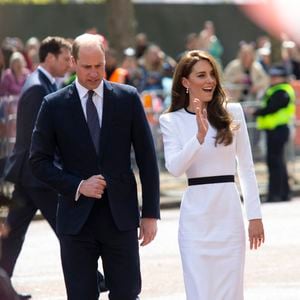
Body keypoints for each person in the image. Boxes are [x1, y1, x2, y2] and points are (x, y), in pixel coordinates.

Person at [29, 33, 160, 300]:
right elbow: (38, 161)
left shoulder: (127, 98)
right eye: (87, 67)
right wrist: (78, 185)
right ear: (73, 62)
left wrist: (150, 213)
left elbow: (148, 158)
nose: (94, 73)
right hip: (76, 220)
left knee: (127, 293)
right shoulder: (53, 105)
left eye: (99, 66)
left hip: (120, 218)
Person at [159, 50, 264, 300]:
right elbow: (174, 168)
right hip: (195, 218)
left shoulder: (233, 112)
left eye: (212, 75)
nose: (210, 81)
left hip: (228, 214)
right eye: (201, 75)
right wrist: (198, 137)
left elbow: (246, 168)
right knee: (199, 292)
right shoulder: (170, 120)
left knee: (231, 291)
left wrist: (255, 216)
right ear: (185, 82)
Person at [0, 36, 72, 300]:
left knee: (13, 235)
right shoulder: (36, 88)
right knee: (68, 227)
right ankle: (93, 279)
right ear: (49, 58)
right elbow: (35, 139)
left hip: (31, 177)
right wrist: (53, 171)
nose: (70, 64)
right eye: (66, 58)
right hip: (37, 176)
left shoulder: (44, 84)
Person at [253, 64, 295, 202]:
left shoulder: (282, 90)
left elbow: (272, 107)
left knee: (274, 163)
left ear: (283, 78)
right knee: (278, 162)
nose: (273, 78)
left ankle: (275, 194)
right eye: (273, 76)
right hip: (275, 130)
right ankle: (282, 193)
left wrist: (256, 112)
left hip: (278, 130)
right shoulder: (275, 90)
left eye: (276, 76)